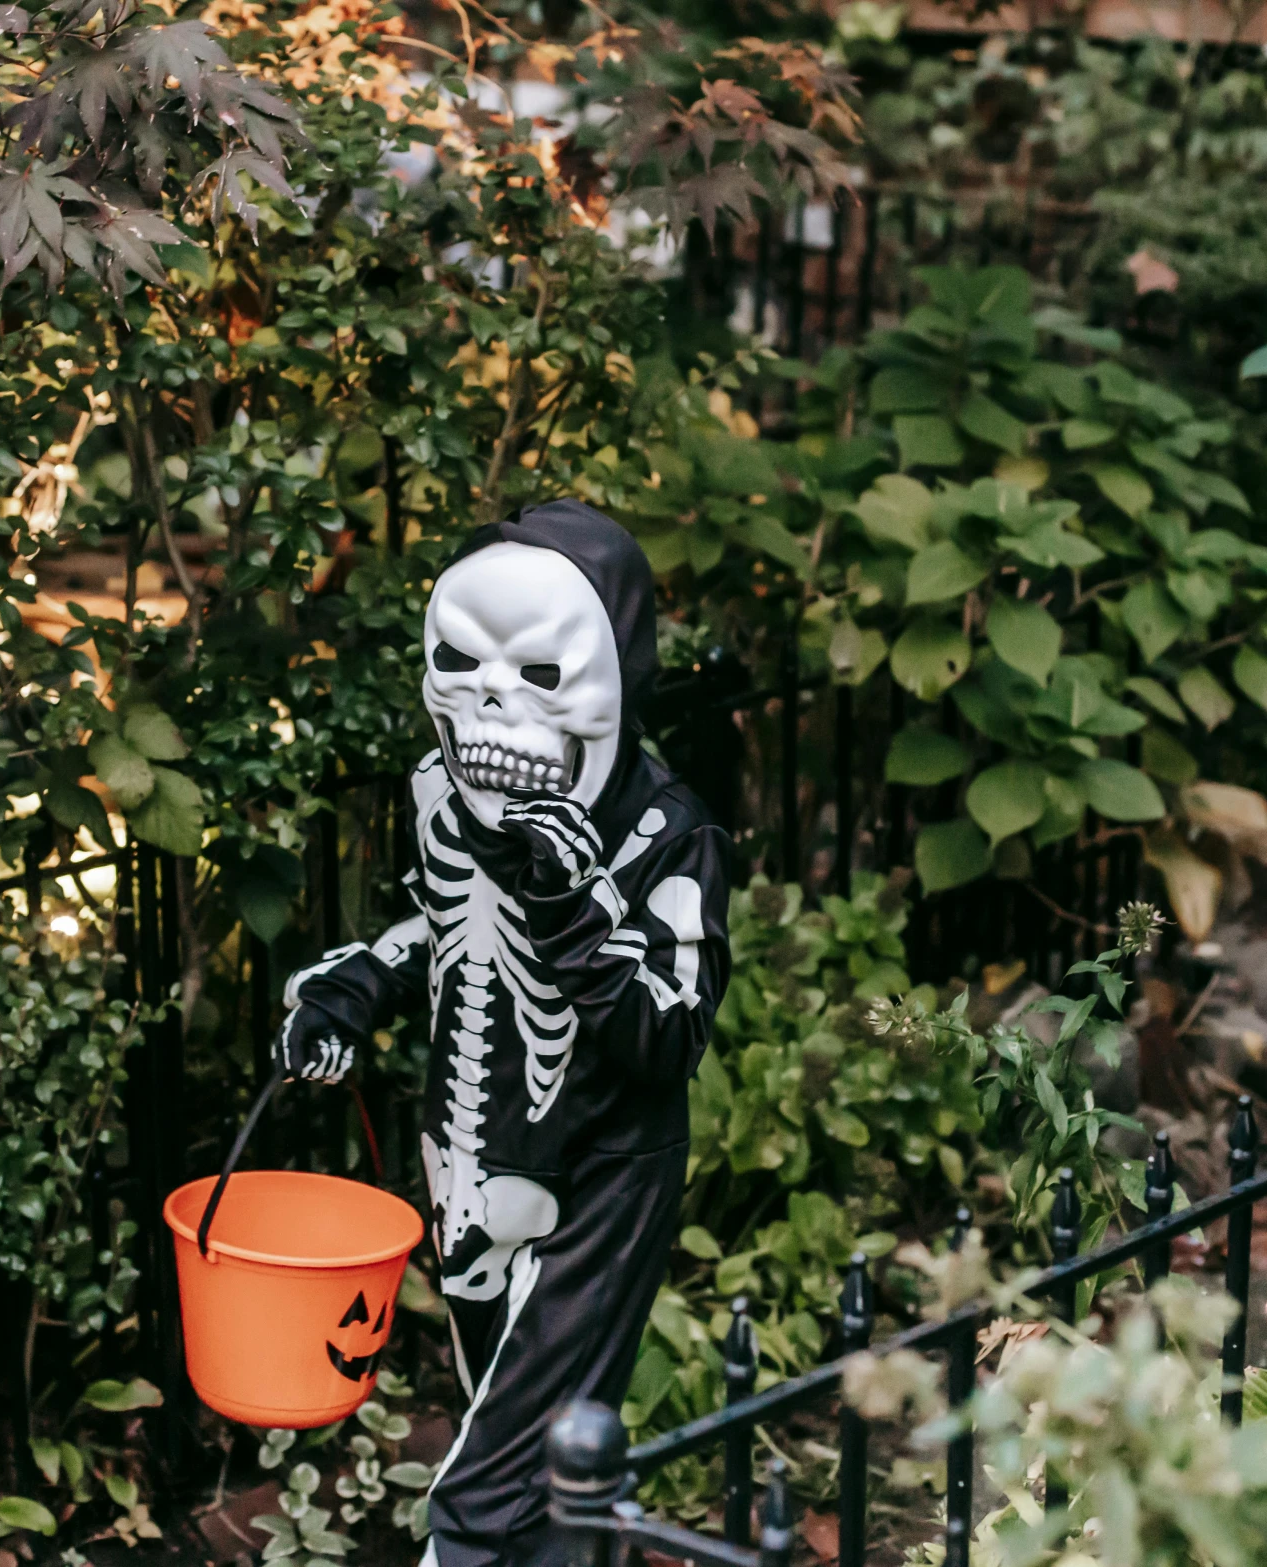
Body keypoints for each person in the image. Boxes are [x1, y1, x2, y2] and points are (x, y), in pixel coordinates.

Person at [271, 500, 733, 1567]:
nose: (490, 704)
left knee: (478, 1493)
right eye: (462, 666)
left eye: (537, 676)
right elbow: (436, 932)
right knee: (536, 1443)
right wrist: (346, 992)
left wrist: (574, 899)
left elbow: (667, 1039)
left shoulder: (669, 832)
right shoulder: (441, 791)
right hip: (468, 1163)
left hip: (600, 1177)